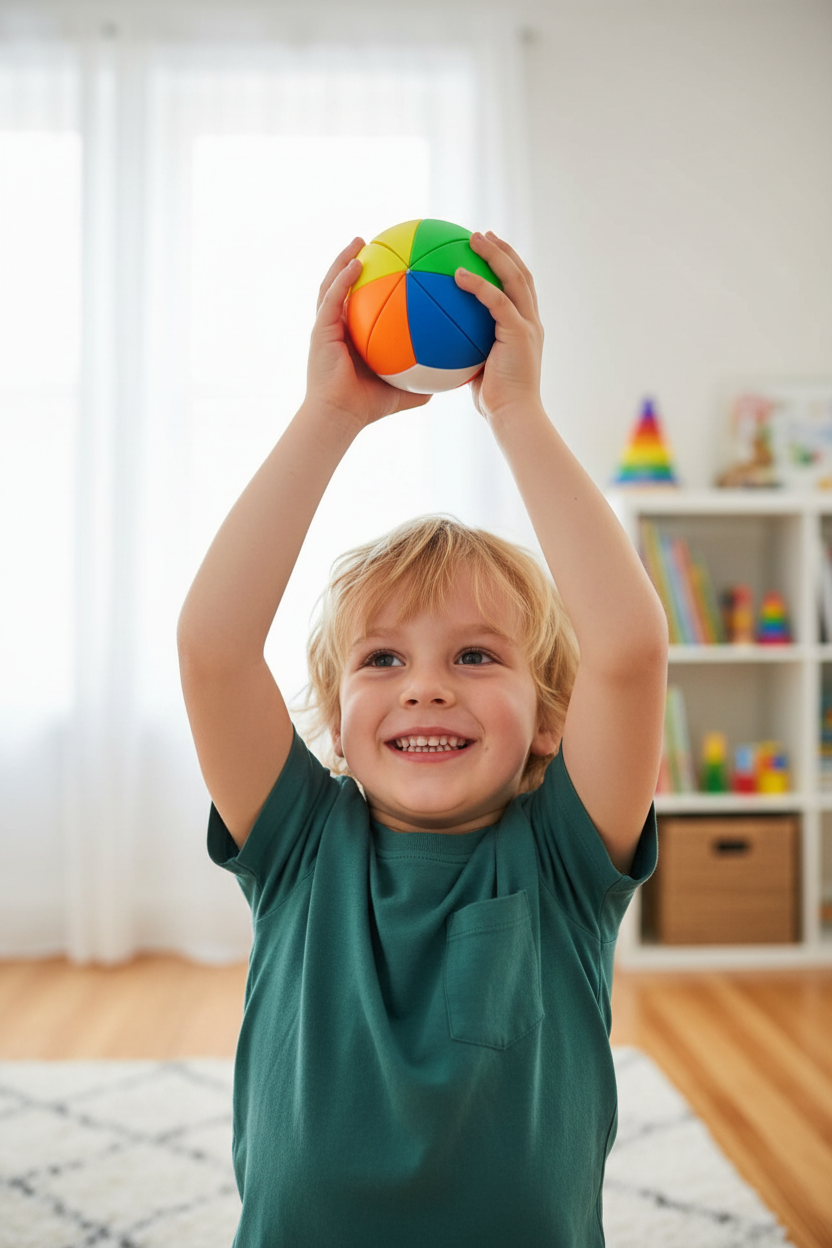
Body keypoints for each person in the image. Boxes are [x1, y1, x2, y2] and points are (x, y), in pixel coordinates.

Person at [177, 231, 668, 1247]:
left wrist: (517, 413)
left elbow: (625, 651)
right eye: (383, 662)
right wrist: (326, 419)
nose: (427, 690)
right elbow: (214, 649)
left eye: (479, 658)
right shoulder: (299, 844)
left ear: (550, 722)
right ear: (339, 722)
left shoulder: (567, 857)